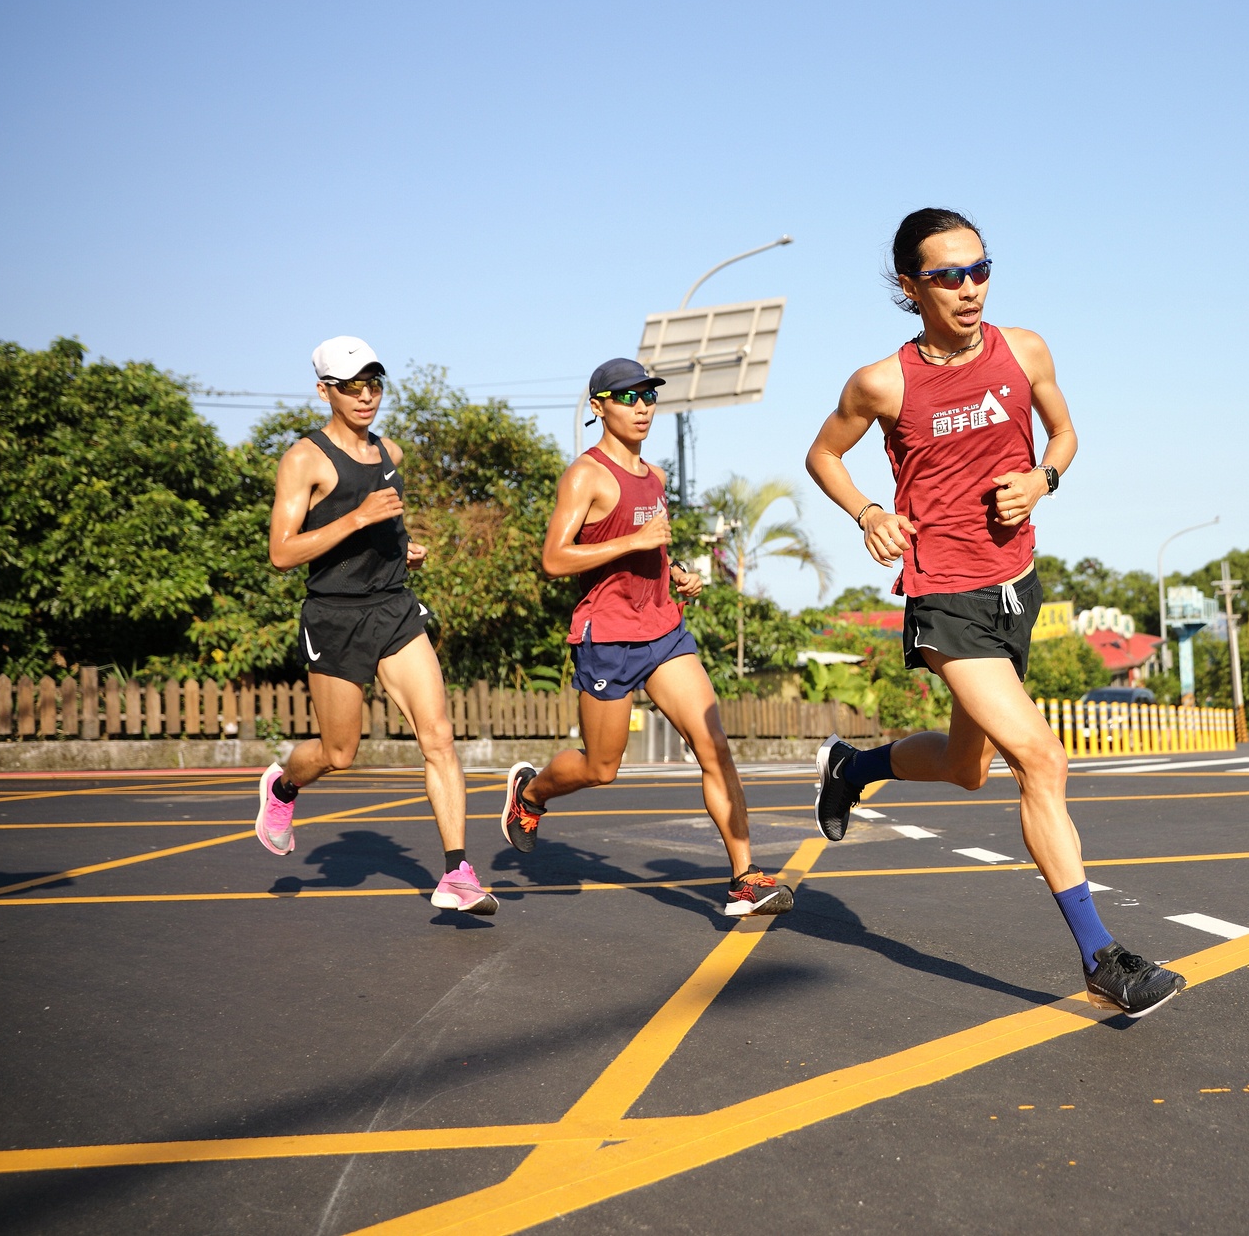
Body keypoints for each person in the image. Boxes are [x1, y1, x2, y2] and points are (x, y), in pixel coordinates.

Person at [803, 208, 1185, 1017]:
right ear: (912, 287)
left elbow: (1065, 433)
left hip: (1014, 587)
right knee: (1042, 759)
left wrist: (1043, 479)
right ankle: (1101, 957)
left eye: (980, 269)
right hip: (943, 596)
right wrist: (869, 512)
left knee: (966, 767)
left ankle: (851, 769)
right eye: (948, 276)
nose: (970, 288)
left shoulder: (1026, 349)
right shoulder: (883, 382)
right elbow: (823, 454)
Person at [496, 358, 791, 919]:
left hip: (663, 630)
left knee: (714, 748)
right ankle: (530, 794)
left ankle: (745, 879)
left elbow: (650, 544)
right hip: (607, 637)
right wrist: (633, 542)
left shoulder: (654, 475)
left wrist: (675, 570)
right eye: (628, 397)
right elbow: (555, 558)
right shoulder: (585, 475)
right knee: (601, 768)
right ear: (598, 406)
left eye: (649, 396)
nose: (642, 408)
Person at [257, 336, 498, 916]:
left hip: (394, 608)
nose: (366, 396)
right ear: (325, 392)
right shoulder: (304, 459)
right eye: (351, 387)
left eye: (374, 384)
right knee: (339, 753)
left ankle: (457, 873)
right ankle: (283, 786)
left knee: (438, 735)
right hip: (334, 617)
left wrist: (400, 548)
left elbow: (382, 529)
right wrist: (358, 518)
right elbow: (282, 553)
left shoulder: (389, 451)